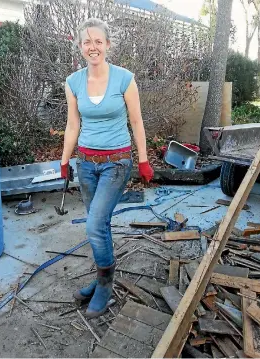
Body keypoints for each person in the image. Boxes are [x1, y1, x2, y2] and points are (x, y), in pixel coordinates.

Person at [60, 18, 154, 318]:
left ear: (108, 45)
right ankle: (100, 276)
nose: (93, 47)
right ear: (80, 46)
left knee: (93, 226)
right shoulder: (73, 82)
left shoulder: (124, 78)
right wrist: (64, 160)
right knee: (99, 225)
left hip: (117, 163)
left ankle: (105, 284)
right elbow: (72, 125)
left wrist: (143, 159)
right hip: (86, 164)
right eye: (87, 42)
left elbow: (137, 121)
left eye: (98, 41)